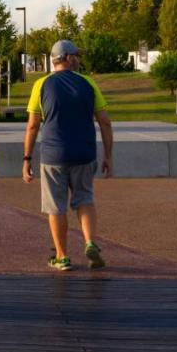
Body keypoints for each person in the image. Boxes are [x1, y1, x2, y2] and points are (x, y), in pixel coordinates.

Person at [22, 39, 114, 272]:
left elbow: (33, 125)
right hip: (84, 153)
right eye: (76, 56)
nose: (79, 60)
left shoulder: (41, 85)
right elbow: (104, 121)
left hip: (53, 155)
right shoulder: (88, 83)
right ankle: (91, 243)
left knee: (56, 207)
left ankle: (62, 257)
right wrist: (108, 156)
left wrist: (26, 159)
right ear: (67, 58)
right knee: (84, 199)